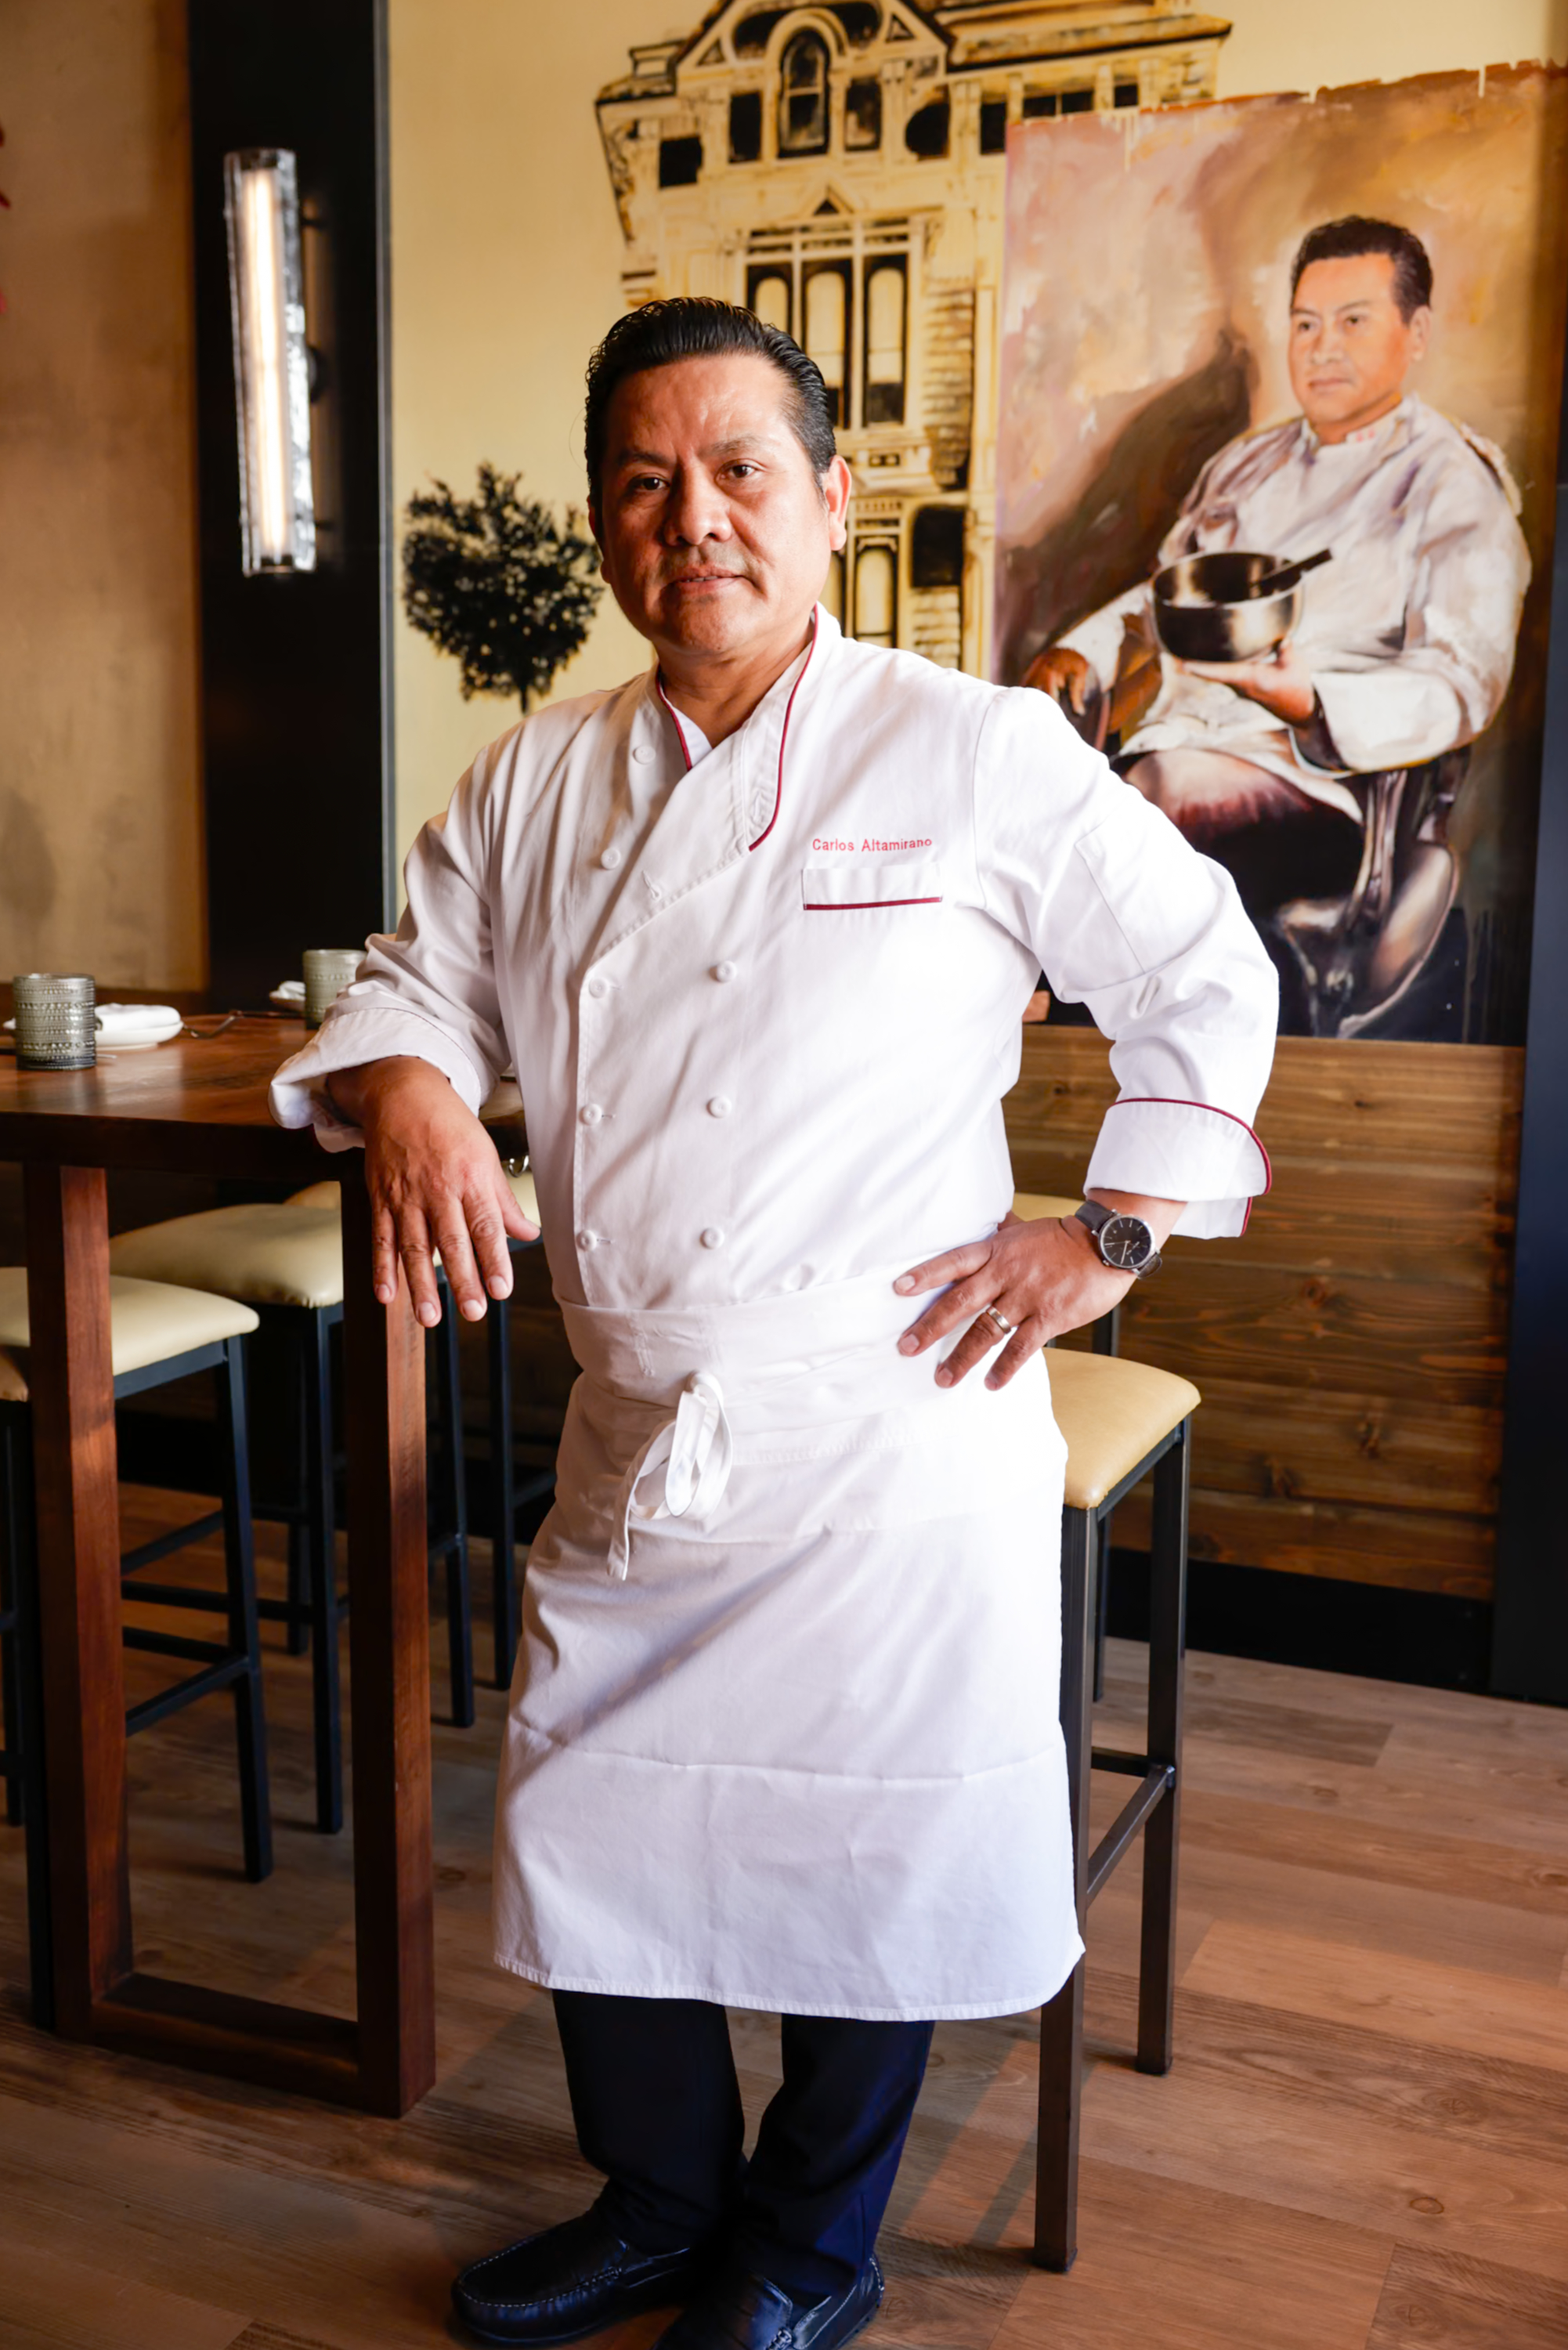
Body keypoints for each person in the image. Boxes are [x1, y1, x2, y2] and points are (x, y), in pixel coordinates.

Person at [271, 297, 1277, 2350]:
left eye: (739, 470)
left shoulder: (970, 744)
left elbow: (1201, 971)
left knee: (862, 1857)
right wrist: (406, 1098)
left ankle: (807, 2247)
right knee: (583, 1820)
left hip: (891, 1418)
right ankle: (658, 2202)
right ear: (599, 523)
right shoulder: (537, 775)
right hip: (642, 1418)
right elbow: (409, 982)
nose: (692, 517)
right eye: (645, 482)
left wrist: (1111, 1233)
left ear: (829, 498)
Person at [1025, 216, 1531, 956]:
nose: (1321, 349)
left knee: (1133, 816)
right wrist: (1082, 654)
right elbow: (1167, 595)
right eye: (1305, 325)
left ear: (1416, 333)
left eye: (1352, 322)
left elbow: (1460, 684)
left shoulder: (1455, 485)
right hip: (1173, 750)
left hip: (1319, 791)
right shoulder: (1245, 465)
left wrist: (1310, 701)